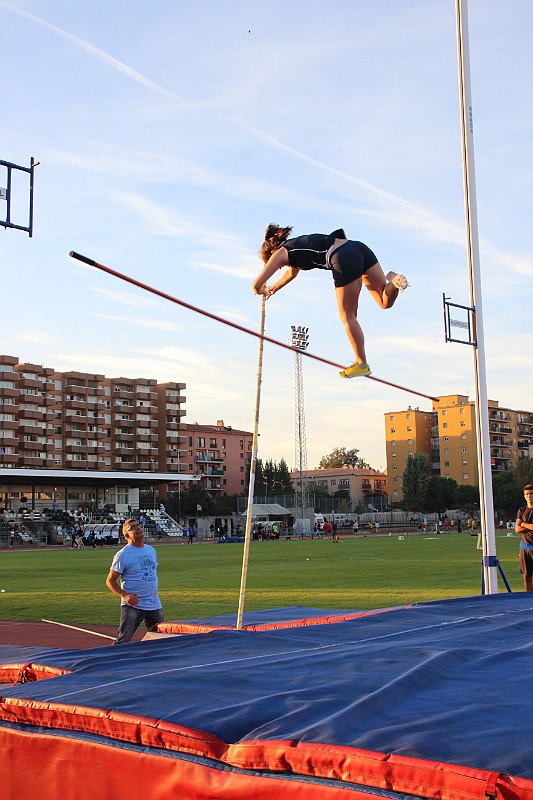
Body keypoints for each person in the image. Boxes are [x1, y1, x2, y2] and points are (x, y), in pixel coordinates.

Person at [252, 224, 408, 378]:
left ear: (272, 253)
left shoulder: (279, 254)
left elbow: (256, 285)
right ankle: (394, 283)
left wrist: (261, 289)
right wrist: (274, 288)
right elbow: (291, 274)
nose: (279, 267)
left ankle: (362, 364)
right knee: (384, 302)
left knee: (347, 316)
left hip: (342, 256)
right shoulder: (293, 248)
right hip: (359, 249)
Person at [105, 518, 164, 644]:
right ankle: (110, 661)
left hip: (154, 603)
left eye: (138, 525)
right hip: (133, 605)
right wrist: (125, 595)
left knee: (160, 639)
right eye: (132, 527)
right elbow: (110, 581)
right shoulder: (122, 555)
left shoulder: (151, 550)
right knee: (123, 640)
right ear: (126, 535)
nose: (137, 528)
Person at [516, 484, 533, 592]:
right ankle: (528, 601)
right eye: (527, 494)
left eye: (531, 493)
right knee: (527, 576)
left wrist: (524, 524)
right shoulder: (521, 511)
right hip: (525, 547)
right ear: (524, 496)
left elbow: (521, 525)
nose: (529, 496)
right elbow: (517, 529)